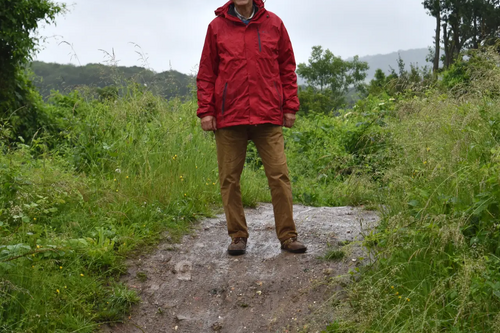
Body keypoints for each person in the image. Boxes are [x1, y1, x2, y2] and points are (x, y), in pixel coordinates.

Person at [196, 0, 307, 255]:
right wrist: (206, 111)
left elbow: (287, 68)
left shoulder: (274, 24)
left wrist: (290, 105)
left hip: (267, 114)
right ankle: (238, 236)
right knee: (229, 179)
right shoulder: (216, 28)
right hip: (229, 117)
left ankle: (288, 236)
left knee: (279, 176)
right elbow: (206, 72)